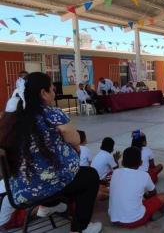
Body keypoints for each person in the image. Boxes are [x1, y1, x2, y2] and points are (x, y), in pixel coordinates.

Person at [2, 72, 101, 233]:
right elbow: (75, 139)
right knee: (89, 176)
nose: (54, 94)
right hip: (44, 187)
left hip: (19, 190)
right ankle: (80, 228)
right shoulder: (51, 114)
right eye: (52, 90)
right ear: (43, 93)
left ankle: (49, 206)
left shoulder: (11, 118)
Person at [109, 147, 164, 228]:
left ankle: (146, 212)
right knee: (163, 196)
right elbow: (153, 193)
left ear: (123, 162)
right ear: (141, 162)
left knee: (136, 200)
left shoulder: (115, 173)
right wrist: (146, 196)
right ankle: (149, 216)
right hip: (133, 220)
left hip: (113, 218)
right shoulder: (144, 175)